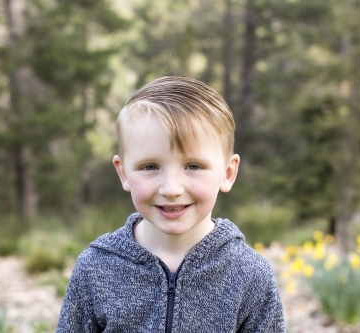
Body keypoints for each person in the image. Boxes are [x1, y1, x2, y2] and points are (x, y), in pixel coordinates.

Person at [56, 76, 285, 332]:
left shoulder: (250, 275)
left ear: (228, 173)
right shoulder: (95, 268)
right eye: (150, 167)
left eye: (194, 166)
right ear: (123, 173)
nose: (171, 189)